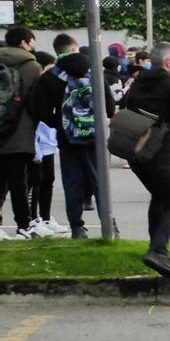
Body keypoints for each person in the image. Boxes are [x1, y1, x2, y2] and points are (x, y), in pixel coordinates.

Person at [31, 33, 115, 235]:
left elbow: (40, 110)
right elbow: (110, 108)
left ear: (58, 52)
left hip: (68, 138)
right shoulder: (95, 71)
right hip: (95, 136)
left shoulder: (50, 77)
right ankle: (109, 224)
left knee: (72, 182)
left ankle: (77, 226)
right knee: (99, 180)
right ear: (75, 48)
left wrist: (60, 123)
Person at [120, 43, 170, 276]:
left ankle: (155, 248)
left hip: (136, 150)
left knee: (159, 196)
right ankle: (158, 251)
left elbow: (126, 106)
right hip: (160, 151)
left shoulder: (138, 82)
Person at [0, 28, 41, 240]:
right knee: (18, 182)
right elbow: (36, 102)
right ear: (24, 43)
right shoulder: (32, 66)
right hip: (20, 133)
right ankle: (23, 225)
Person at [26, 51, 66, 237]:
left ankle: (46, 217)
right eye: (49, 69)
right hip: (37, 145)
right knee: (35, 182)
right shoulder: (34, 90)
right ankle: (32, 219)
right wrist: (36, 150)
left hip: (49, 144)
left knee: (48, 180)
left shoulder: (50, 89)